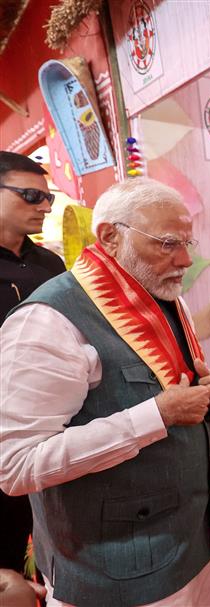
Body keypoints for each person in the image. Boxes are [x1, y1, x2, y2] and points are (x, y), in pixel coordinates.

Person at [0, 177, 210, 607]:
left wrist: (209, 393)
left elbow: (162, 386)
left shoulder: (162, 295)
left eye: (186, 242)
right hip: (114, 573)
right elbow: (16, 467)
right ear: (109, 236)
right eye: (166, 243)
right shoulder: (46, 322)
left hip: (195, 540)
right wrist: (157, 415)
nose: (185, 259)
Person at [0, 151, 66, 576]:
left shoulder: (51, 264)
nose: (43, 207)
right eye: (30, 195)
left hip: (53, 431)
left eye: (48, 198)